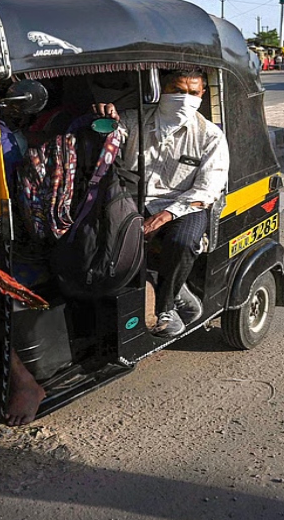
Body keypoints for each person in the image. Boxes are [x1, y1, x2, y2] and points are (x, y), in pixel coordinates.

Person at [92, 69, 230, 337]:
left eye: (192, 94)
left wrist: (165, 215)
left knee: (183, 241)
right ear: (161, 91)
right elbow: (111, 138)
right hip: (135, 197)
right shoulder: (134, 120)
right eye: (178, 91)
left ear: (202, 95)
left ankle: (166, 306)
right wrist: (104, 120)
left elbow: (207, 189)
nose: (184, 99)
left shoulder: (210, 135)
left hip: (184, 203)